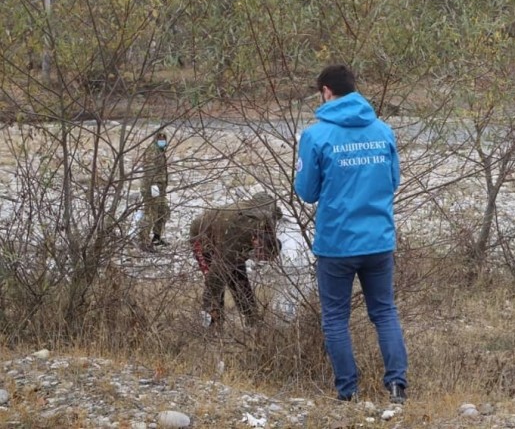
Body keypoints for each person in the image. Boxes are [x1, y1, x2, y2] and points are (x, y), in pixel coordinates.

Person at [294, 64, 408, 404]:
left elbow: (307, 191)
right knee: (385, 312)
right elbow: (393, 181)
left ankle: (348, 391)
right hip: (378, 240)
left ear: (326, 91)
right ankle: (397, 386)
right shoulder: (383, 131)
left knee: (335, 319)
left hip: (337, 243)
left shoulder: (316, 136)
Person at [189, 193, 282, 329]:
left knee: (240, 279)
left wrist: (277, 212)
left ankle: (253, 320)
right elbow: (214, 279)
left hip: (227, 229)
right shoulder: (237, 238)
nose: (257, 259)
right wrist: (207, 306)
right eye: (259, 256)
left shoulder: (269, 219)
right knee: (218, 277)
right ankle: (212, 324)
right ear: (255, 242)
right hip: (202, 233)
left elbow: (263, 197)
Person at [138, 132, 170, 251]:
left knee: (163, 211)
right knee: (150, 213)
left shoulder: (160, 150)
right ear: (156, 139)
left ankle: (157, 237)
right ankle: (143, 241)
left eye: (164, 138)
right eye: (160, 138)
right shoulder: (152, 150)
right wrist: (153, 186)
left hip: (160, 188)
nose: (162, 140)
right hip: (152, 187)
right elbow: (149, 169)